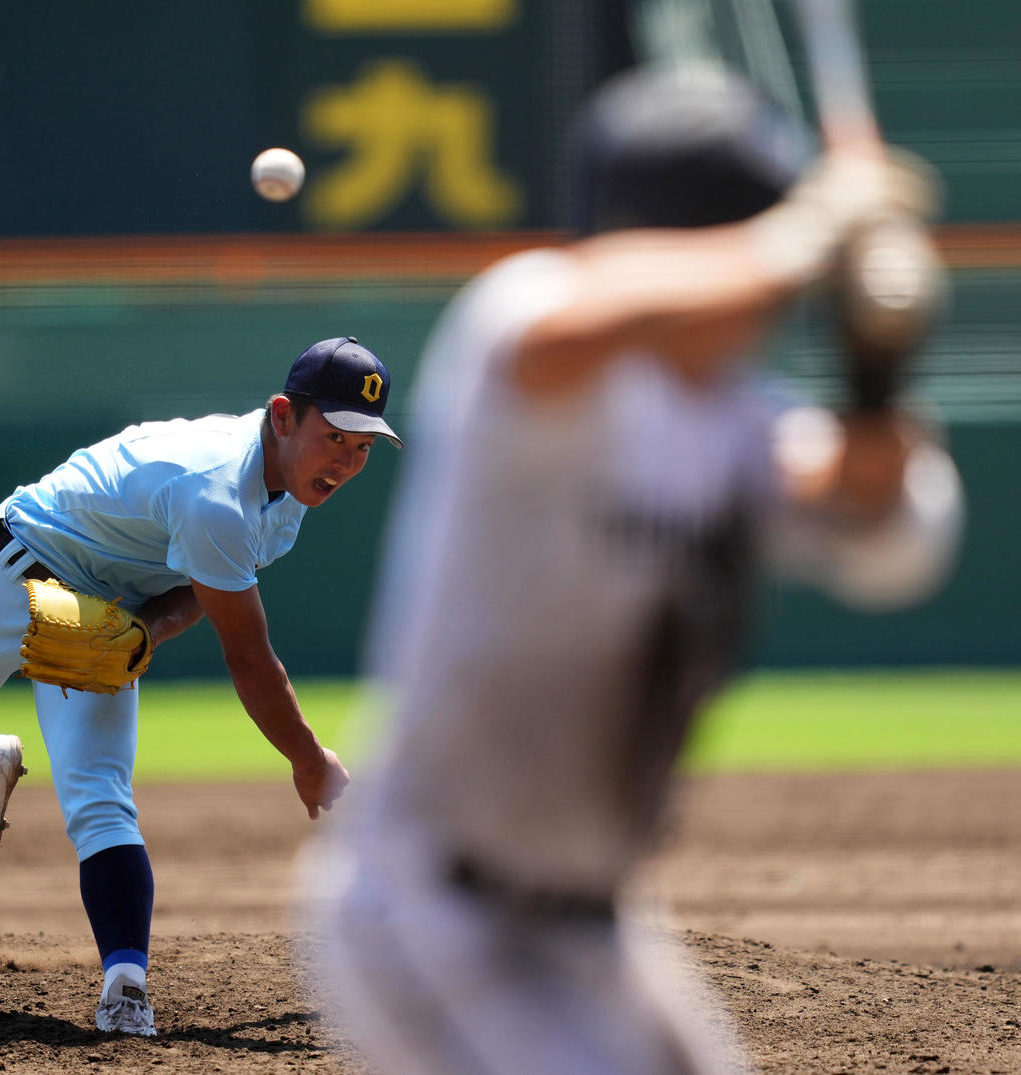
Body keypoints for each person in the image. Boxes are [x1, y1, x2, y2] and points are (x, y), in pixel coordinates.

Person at [303, 64, 963, 1075]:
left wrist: (877, 364)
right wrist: (800, 239)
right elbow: (575, 320)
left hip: (596, 921)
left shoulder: (740, 424)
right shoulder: (526, 338)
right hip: (436, 907)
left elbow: (877, 521)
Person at [0, 336, 401, 1037]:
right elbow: (251, 657)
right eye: (335, 436)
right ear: (282, 417)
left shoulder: (288, 492)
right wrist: (308, 757)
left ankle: (125, 985)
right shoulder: (212, 489)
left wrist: (144, 628)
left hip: (108, 608)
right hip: (15, 569)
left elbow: (203, 587)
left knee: (100, 797)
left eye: (363, 446)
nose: (347, 461)